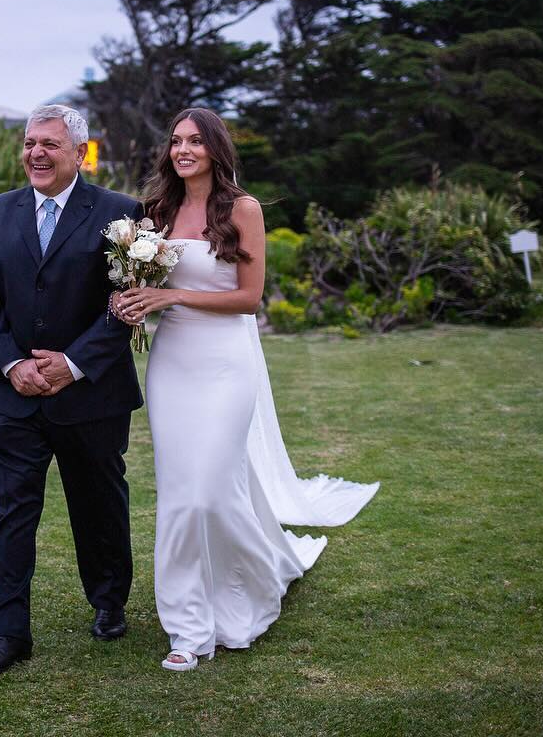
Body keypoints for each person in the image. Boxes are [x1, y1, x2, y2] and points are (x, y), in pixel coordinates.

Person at [115, 107, 379, 672]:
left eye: (194, 141)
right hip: (173, 365)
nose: (183, 150)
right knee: (180, 494)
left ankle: (254, 581)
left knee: (210, 491)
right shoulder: (155, 211)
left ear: (215, 148)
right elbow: (144, 285)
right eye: (176, 141)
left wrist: (171, 299)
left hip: (226, 362)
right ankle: (187, 627)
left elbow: (248, 298)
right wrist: (131, 299)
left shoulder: (243, 209)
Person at [0, 104, 145, 676]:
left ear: (79, 153)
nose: (35, 154)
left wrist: (72, 363)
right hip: (14, 396)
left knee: (98, 505)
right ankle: (8, 633)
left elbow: (126, 307)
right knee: (13, 512)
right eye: (28, 143)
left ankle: (109, 602)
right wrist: (12, 363)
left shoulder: (121, 215)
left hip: (91, 396)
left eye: (48, 144)